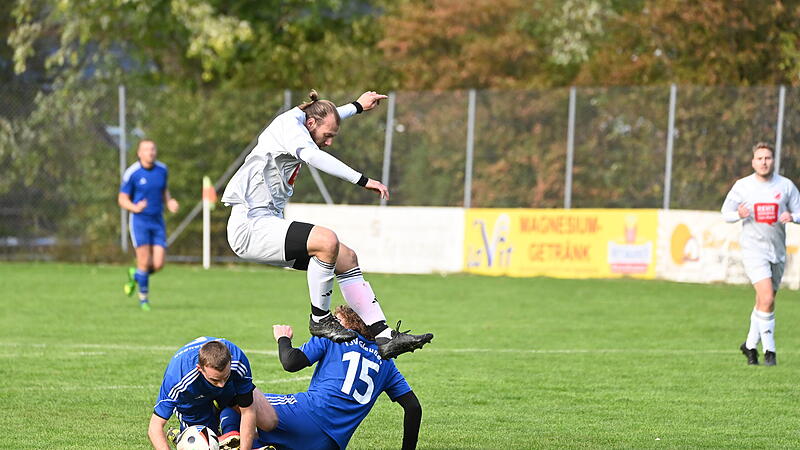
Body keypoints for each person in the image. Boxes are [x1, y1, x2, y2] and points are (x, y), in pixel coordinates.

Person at [221, 90, 432, 359]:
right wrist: (363, 180)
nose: (329, 142)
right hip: (249, 226)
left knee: (346, 257)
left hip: (266, 222)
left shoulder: (304, 120)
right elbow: (314, 156)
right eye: (328, 136)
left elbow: (327, 116)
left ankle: (384, 335)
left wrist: (357, 106)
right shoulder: (290, 128)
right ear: (311, 124)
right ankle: (320, 318)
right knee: (326, 241)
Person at [218, 305, 423, 450]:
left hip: (305, 416)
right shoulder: (386, 361)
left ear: (350, 323)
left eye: (336, 320)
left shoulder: (335, 338)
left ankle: (230, 439)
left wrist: (283, 338)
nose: (331, 323)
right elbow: (413, 407)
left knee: (237, 396)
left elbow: (291, 362)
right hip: (331, 444)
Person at [722, 142, 800, 366]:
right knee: (766, 298)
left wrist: (792, 217)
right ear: (753, 161)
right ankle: (770, 352)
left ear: (773, 161)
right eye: (760, 158)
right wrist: (738, 213)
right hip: (753, 250)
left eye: (768, 158)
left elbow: (799, 211)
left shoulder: (786, 186)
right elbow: (725, 213)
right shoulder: (743, 186)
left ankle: (748, 346)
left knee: (765, 302)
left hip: (777, 251)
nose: (764, 162)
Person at [147, 336, 279, 450]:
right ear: (200, 368)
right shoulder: (178, 378)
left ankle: (225, 420)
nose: (221, 384)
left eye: (224, 377)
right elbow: (155, 427)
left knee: (269, 422)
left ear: (230, 361)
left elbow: (248, 411)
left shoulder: (238, 360)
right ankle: (183, 436)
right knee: (207, 444)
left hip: (231, 388)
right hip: (193, 399)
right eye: (215, 380)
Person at [118, 139, 180, 311]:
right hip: (139, 221)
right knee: (144, 261)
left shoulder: (162, 169)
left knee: (159, 263)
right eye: (146, 149)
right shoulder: (133, 173)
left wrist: (169, 202)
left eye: (153, 149)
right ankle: (144, 300)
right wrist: (135, 207)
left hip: (157, 221)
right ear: (139, 153)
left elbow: (164, 191)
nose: (150, 152)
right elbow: (122, 199)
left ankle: (136, 275)